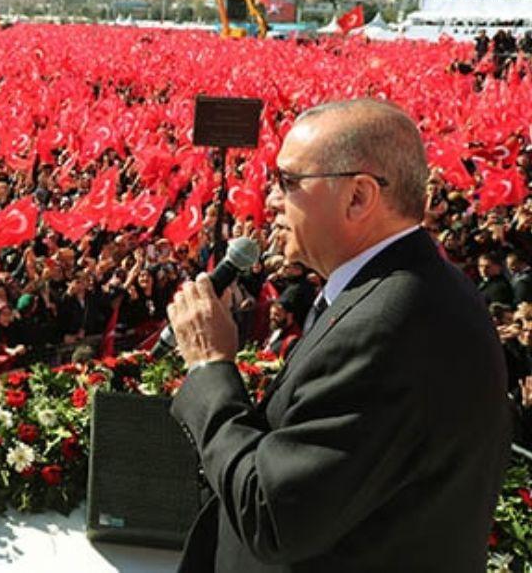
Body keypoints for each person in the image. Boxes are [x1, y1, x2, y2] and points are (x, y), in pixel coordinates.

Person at [165, 99, 509, 571]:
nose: (270, 199)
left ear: (358, 197)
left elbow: (272, 513)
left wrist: (210, 369)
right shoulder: (403, 291)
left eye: (288, 182)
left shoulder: (392, 325)